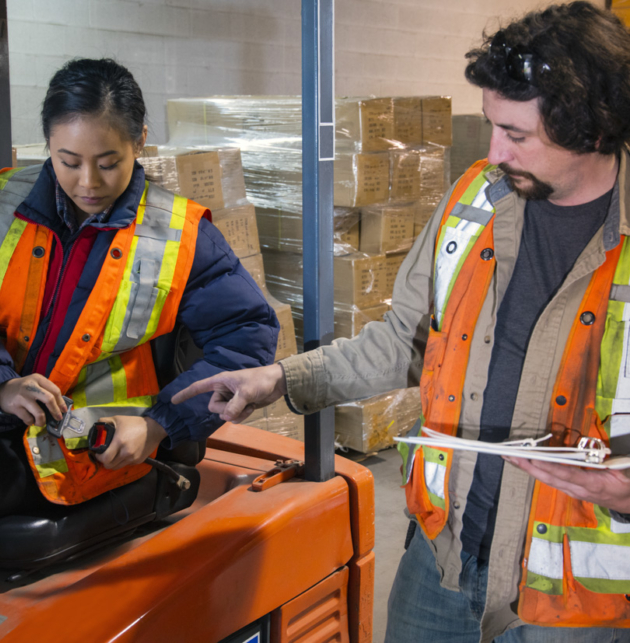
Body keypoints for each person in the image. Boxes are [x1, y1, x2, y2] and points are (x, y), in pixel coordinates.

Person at [173, 3, 630, 641]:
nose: (494, 150)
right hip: (442, 557)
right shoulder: (477, 198)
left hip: (576, 600)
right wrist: (278, 380)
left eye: (517, 135)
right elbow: (401, 343)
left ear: (597, 131)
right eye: (493, 125)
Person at [0, 58, 279, 518]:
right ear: (48, 142)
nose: (88, 182)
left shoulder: (181, 234)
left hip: (90, 447)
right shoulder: (2, 202)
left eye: (108, 163)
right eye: (68, 161)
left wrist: (160, 426)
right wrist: (0, 382)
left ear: (140, 139)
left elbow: (246, 339)